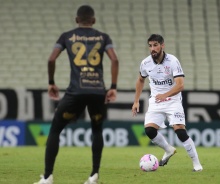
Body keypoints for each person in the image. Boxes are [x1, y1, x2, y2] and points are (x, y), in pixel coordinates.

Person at [34, 5, 119, 184]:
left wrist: (51, 82)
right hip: (97, 91)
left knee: (56, 129)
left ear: (76, 20)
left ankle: (48, 177)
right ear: (93, 20)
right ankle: (94, 175)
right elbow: (114, 59)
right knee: (97, 130)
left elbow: (51, 59)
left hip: (76, 92)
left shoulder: (67, 36)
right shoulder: (103, 37)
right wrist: (113, 86)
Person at [132, 34, 203, 172]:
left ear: (162, 45)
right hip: (156, 101)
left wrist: (165, 95)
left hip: (173, 100)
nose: (152, 49)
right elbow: (140, 80)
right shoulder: (145, 63)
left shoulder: (173, 61)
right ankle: (168, 149)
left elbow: (180, 85)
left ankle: (196, 163)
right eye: (150, 46)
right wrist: (136, 101)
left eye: (155, 45)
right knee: (149, 130)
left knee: (180, 131)